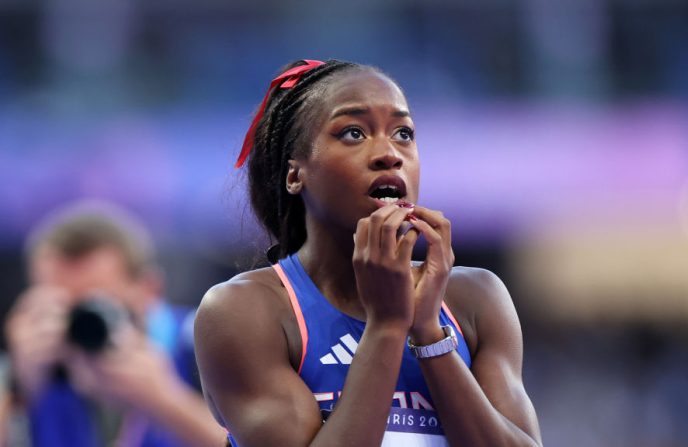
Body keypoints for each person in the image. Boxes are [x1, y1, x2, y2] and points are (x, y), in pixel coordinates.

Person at [194, 59, 543, 447]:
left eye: (404, 133)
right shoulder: (244, 309)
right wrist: (389, 325)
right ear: (296, 174)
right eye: (354, 133)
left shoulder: (475, 298)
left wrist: (428, 333)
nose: (389, 154)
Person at [4, 201, 228, 447]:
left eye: (97, 305)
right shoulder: (37, 363)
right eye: (61, 309)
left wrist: (165, 401)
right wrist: (19, 388)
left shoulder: (204, 342)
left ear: (149, 290)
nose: (79, 325)